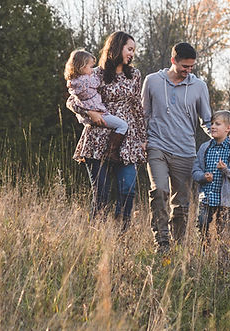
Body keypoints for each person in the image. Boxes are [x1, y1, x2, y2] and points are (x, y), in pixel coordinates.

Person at [68, 31, 146, 231]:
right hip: (97, 137)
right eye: (129, 49)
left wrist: (142, 138)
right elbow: (71, 100)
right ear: (116, 47)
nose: (132, 54)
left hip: (126, 139)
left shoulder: (135, 74)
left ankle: (122, 235)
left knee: (127, 189)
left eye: (133, 50)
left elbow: (137, 107)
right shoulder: (96, 74)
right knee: (100, 192)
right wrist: (89, 113)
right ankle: (97, 236)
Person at [141, 42, 213, 254]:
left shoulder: (199, 86)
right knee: (159, 190)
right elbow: (143, 114)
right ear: (173, 61)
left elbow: (207, 120)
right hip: (157, 146)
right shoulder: (152, 81)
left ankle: (178, 245)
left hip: (185, 151)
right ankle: (162, 242)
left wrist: (222, 141)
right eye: (184, 66)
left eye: (191, 67)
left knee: (181, 204)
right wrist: (141, 139)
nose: (188, 71)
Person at [192, 110, 230, 247]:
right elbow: (195, 170)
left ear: (228, 128)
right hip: (206, 196)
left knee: (224, 231)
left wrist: (226, 171)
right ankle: (204, 250)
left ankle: (224, 259)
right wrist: (203, 177)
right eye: (211, 124)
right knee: (201, 223)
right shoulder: (205, 148)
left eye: (217, 124)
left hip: (226, 199)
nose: (212, 127)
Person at [64, 49, 128, 161]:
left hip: (88, 117)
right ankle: (111, 151)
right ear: (82, 67)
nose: (93, 70)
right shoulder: (85, 81)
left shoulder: (73, 82)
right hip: (99, 113)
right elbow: (97, 82)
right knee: (123, 125)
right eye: (90, 67)